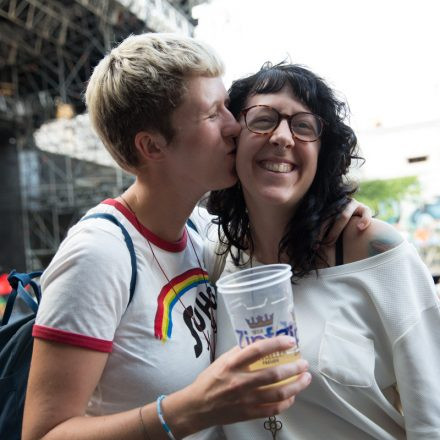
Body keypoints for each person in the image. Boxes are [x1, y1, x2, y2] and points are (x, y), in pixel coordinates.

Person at [22, 35, 313, 440]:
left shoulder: (200, 231)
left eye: (227, 106)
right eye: (213, 114)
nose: (234, 126)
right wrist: (189, 410)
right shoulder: (98, 254)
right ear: (152, 145)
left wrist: (346, 221)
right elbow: (43, 434)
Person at [207, 62, 440, 439]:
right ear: (233, 138)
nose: (283, 136)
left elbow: (433, 419)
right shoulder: (215, 259)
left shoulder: (376, 253)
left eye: (304, 126)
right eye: (263, 119)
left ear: (322, 153)